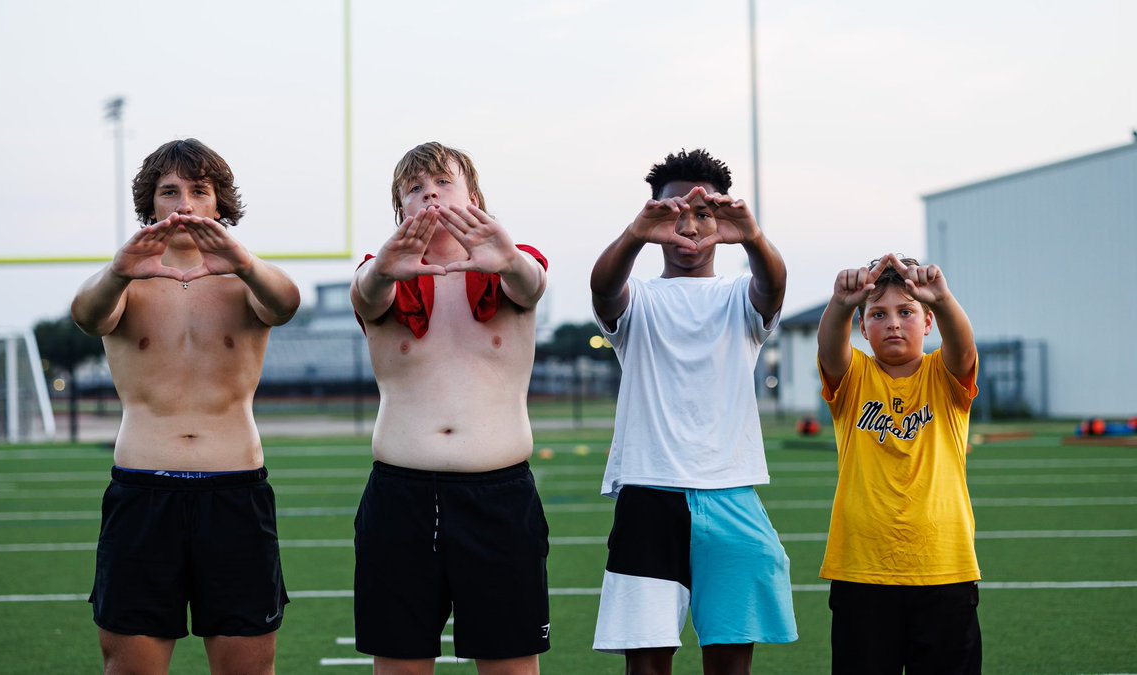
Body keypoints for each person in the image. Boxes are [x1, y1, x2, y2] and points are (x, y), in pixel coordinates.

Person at [71, 138, 300, 675]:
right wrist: (120, 269)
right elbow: (87, 315)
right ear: (150, 205)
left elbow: (285, 303)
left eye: (199, 191)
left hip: (234, 492)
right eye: (169, 191)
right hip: (144, 492)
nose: (184, 204)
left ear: (219, 204)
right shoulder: (126, 279)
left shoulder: (245, 277)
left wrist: (241, 261)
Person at [589, 149, 797, 675]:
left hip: (730, 492)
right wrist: (635, 235)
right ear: (653, 215)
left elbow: (772, 288)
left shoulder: (737, 297)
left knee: (730, 662)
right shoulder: (638, 297)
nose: (688, 223)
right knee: (647, 665)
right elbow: (603, 288)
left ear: (721, 219)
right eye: (673, 210)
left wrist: (751, 236)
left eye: (703, 212)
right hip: (648, 491)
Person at [349, 141, 550, 675]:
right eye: (414, 188)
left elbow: (531, 283)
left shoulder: (514, 266)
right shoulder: (378, 274)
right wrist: (387, 269)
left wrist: (505, 256)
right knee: (399, 666)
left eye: (443, 181)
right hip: (400, 495)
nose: (429, 193)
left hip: (499, 495)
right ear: (401, 211)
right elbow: (369, 298)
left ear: (474, 196)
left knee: (510, 666)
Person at [816, 253, 981, 675]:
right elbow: (830, 347)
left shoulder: (944, 377)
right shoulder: (853, 379)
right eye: (878, 314)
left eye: (906, 312)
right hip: (862, 569)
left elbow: (962, 347)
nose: (892, 322)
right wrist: (839, 303)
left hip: (944, 568)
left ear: (928, 323)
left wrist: (942, 299)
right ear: (863, 328)